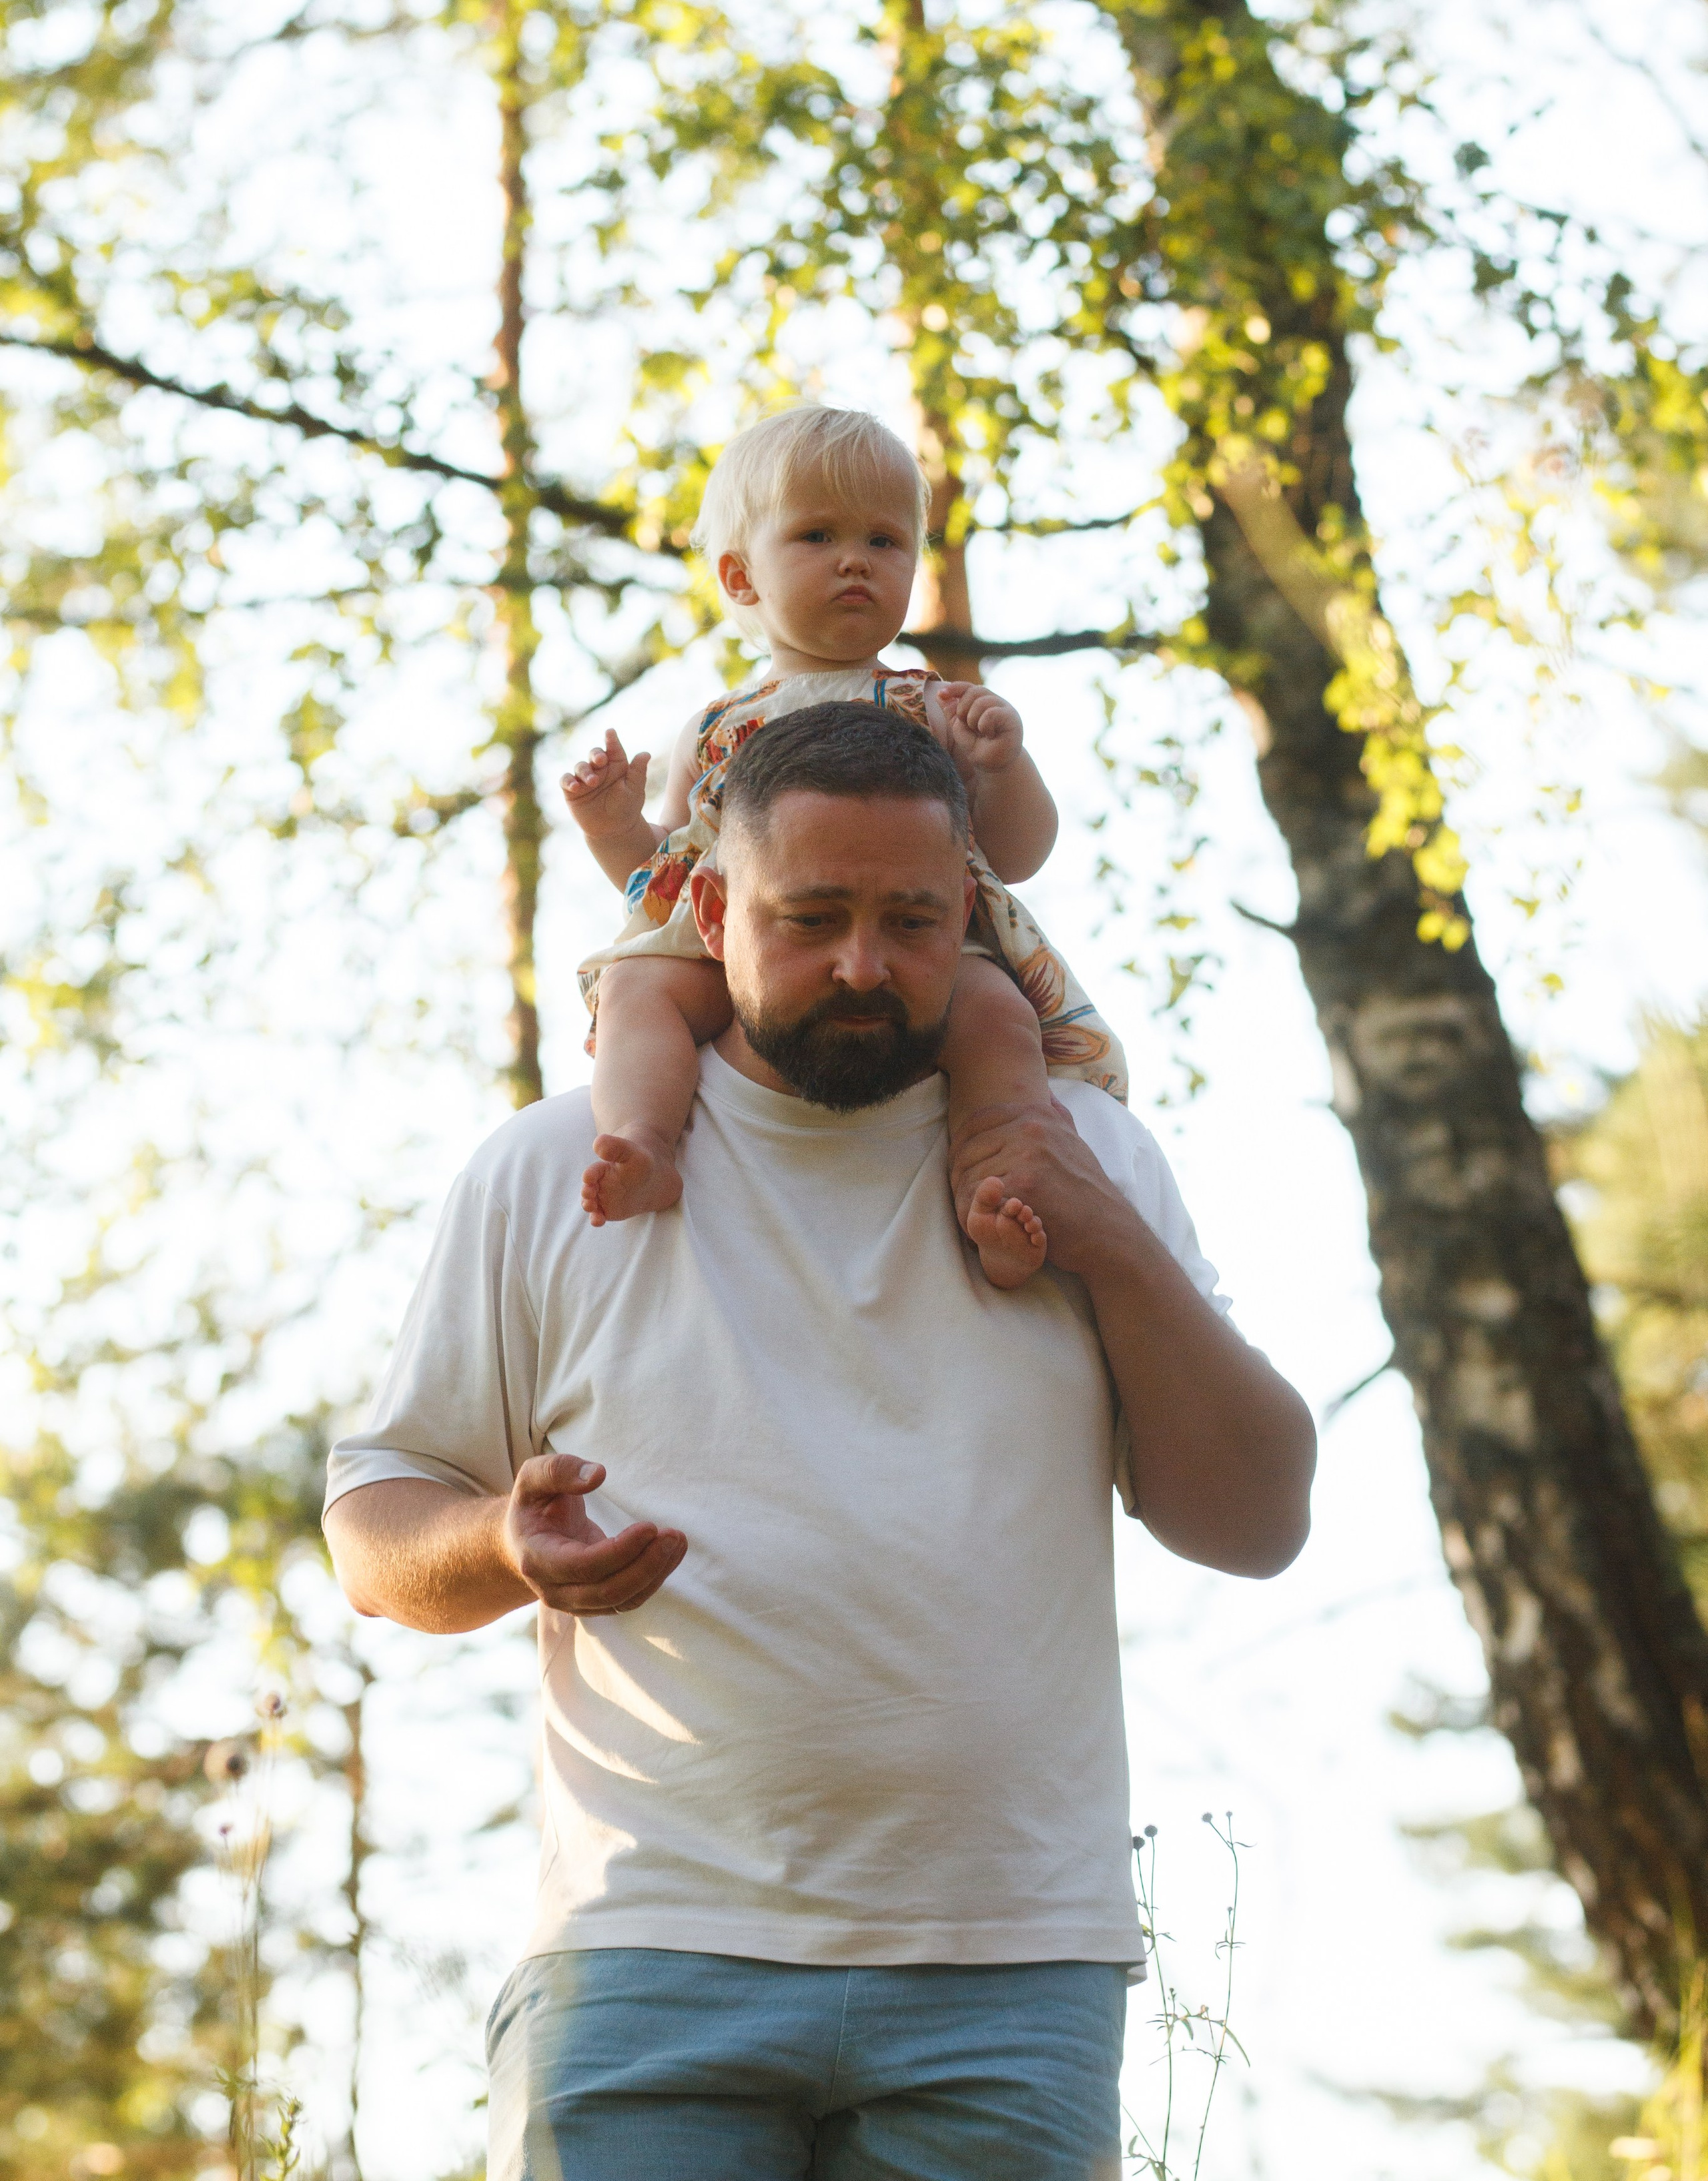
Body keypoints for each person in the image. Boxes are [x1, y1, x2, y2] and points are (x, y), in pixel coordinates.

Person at [323, 699, 1316, 2181]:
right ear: (710, 907)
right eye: (812, 917)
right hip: (646, 1956)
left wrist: (1104, 1242)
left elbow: (1253, 1522)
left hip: (1005, 1971)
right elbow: (374, 1525)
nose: (864, 965)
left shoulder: (1080, 1159)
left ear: (971, 913)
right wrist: (495, 1544)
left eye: (913, 921)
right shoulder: (555, 1167)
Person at [562, 401, 1124, 1288]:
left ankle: (1001, 1190)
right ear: (742, 579)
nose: (855, 559)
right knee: (637, 986)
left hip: (918, 951)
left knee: (996, 1021)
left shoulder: (933, 707)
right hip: (746, 948)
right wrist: (612, 825)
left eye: (886, 541)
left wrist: (1002, 766)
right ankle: (642, 1138)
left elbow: (1017, 854)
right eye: (817, 536)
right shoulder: (714, 729)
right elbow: (662, 878)